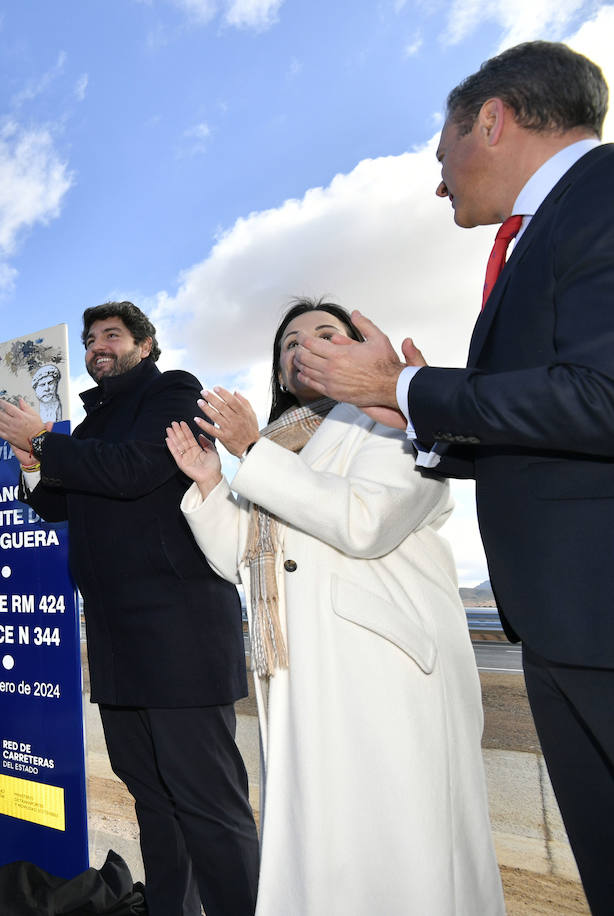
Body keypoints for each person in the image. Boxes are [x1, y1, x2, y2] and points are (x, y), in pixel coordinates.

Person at [292, 41, 614, 912]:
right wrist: (420, 418)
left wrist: (401, 386)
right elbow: (554, 418)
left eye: (443, 157)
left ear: (493, 120)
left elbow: (602, 396)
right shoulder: (547, 230)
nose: (440, 184)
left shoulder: (602, 200)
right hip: (563, 624)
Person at [168, 299, 504, 914]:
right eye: (290, 343)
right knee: (325, 846)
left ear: (357, 350)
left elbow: (364, 522)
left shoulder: (392, 420)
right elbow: (239, 559)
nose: (305, 347)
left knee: (398, 841)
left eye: (326, 333)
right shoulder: (274, 447)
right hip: (306, 669)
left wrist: (252, 455)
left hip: (381, 667)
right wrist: (213, 482)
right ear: (279, 372)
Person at [0, 303, 258, 916]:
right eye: (89, 340)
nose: (96, 347)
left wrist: (42, 440)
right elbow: (64, 507)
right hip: (114, 640)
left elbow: (137, 471)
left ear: (145, 344)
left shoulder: (175, 392)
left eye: (111, 335)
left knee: (209, 809)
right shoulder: (89, 427)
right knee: (153, 803)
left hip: (180, 635)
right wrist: (35, 468)